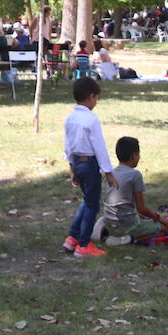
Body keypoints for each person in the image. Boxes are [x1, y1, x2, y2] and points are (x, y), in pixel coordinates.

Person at [61, 76, 117, 259]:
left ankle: (73, 237)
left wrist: (72, 168)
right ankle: (84, 244)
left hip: (77, 162)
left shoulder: (70, 119)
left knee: (86, 201)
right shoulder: (91, 120)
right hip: (90, 163)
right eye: (96, 99)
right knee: (92, 205)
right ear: (91, 97)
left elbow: (67, 146)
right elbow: (99, 147)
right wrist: (107, 172)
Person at [92, 136, 168, 246]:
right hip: (126, 225)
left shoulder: (111, 173)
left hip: (109, 221)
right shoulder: (135, 175)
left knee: (138, 218)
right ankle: (128, 239)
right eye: (138, 154)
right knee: (165, 229)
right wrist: (159, 218)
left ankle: (107, 231)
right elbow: (142, 208)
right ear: (134, 156)